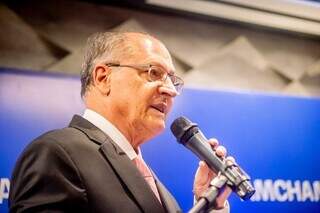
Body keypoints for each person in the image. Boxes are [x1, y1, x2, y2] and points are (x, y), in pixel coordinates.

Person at [9, 32, 231, 212]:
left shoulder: (152, 181)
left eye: (173, 80)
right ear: (103, 78)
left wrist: (207, 205)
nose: (171, 91)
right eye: (154, 72)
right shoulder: (56, 154)